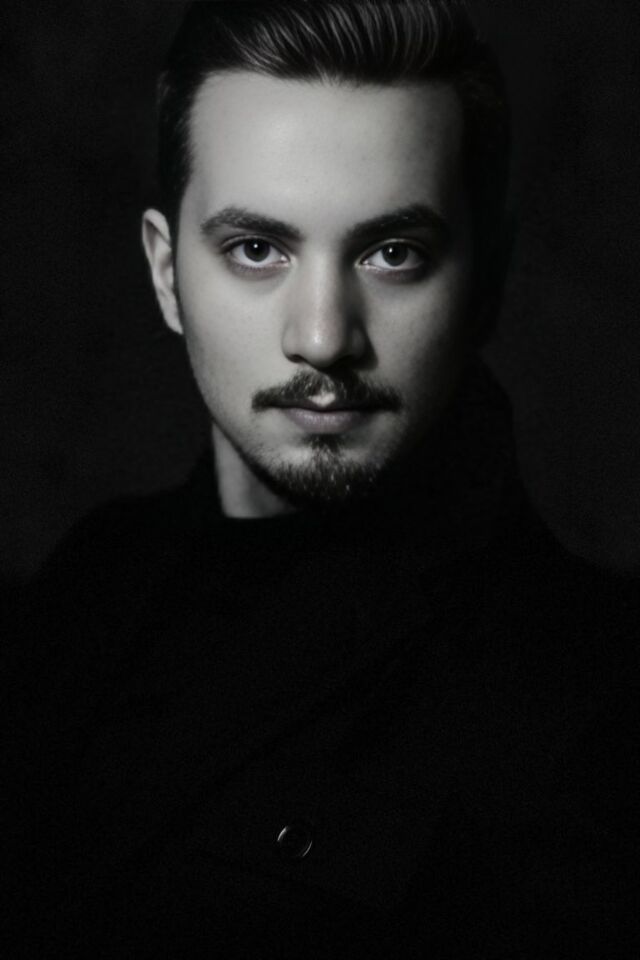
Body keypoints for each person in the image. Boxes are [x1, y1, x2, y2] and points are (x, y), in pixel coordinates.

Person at [3, 2, 637, 957]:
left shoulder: (594, 699)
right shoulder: (87, 586)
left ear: (488, 277)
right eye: (257, 250)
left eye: (393, 254)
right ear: (167, 275)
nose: (322, 337)